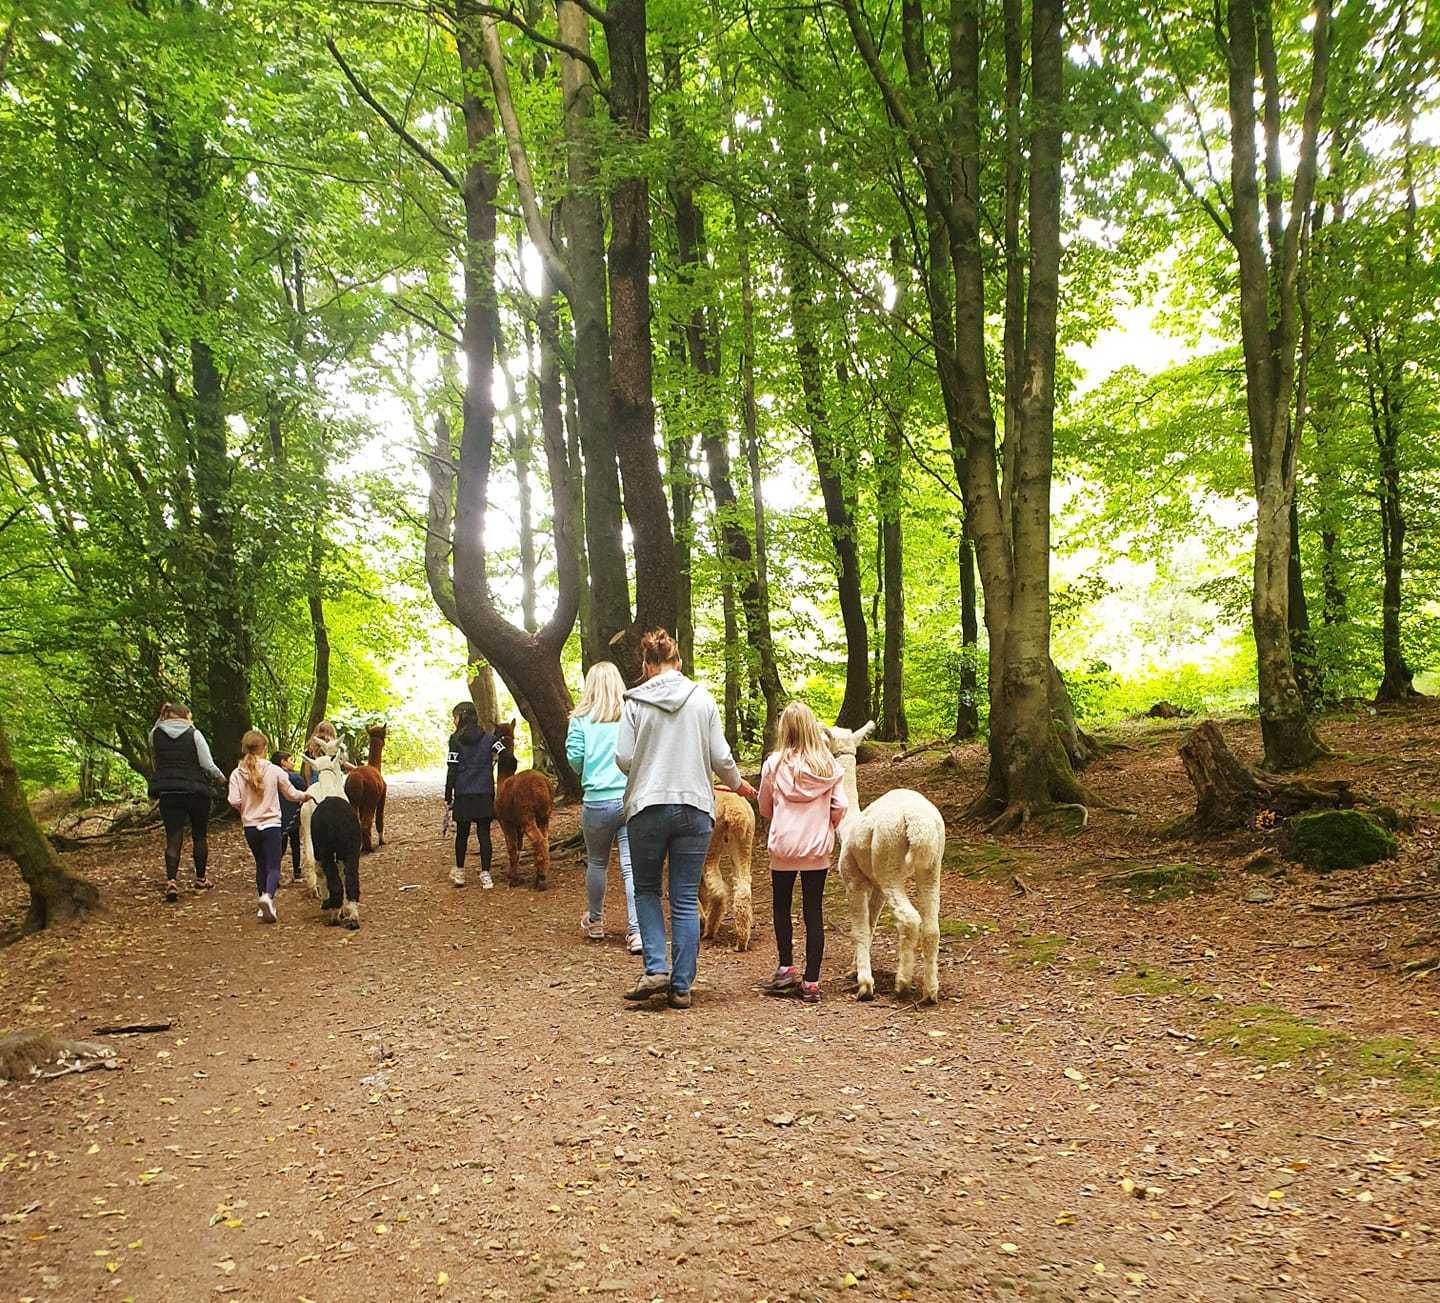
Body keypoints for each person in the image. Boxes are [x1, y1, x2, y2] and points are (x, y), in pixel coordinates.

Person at [615, 629, 756, 1010]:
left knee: (646, 889)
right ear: (677, 663)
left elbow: (624, 759)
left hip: (647, 806)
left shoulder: (634, 703)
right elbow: (721, 758)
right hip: (695, 807)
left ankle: (656, 967)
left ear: (647, 666)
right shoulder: (702, 700)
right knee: (683, 895)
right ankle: (681, 986)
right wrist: (738, 785)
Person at [757, 702, 848, 1004]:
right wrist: (828, 826)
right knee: (813, 911)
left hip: (783, 847)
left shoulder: (774, 764)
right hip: (816, 849)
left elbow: (764, 806)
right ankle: (811, 982)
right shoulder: (829, 767)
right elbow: (841, 807)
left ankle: (785, 968)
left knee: (781, 906)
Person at [566, 662, 641, 954]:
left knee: (597, 862)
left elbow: (574, 759)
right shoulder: (630, 716)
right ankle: (636, 932)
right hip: (628, 799)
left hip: (596, 802)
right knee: (631, 867)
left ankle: (595, 921)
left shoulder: (580, 719)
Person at [228, 730, 313, 923]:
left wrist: (244, 810)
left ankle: (263, 905)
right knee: (274, 866)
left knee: (260, 863)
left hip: (250, 826)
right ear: (264, 749)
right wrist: (305, 796)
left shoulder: (236, 773)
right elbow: (291, 794)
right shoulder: (275, 770)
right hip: (272, 825)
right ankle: (267, 897)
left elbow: (233, 799)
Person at [148, 702, 227, 903]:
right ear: (186, 716)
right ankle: (200, 878)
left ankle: (172, 881)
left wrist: (161, 715)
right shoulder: (194, 734)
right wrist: (221, 779)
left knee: (173, 838)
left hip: (168, 792)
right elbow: (207, 764)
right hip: (196, 791)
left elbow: (154, 735)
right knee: (199, 836)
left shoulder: (156, 733)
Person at [445, 702, 509, 890]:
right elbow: (506, 754)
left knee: (462, 834)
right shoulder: (489, 738)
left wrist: (448, 793)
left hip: (463, 793)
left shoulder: (455, 740)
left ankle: (460, 873)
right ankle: (486, 874)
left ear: (462, 717)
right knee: (484, 833)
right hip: (484, 791)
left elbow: (452, 767)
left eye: (455, 716)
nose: (454, 720)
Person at [271, 750, 309, 882]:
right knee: (295, 844)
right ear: (283, 762)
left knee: (279, 846)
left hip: (275, 816)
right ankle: (297, 871)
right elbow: (304, 788)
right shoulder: (294, 778)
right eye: (291, 760)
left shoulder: (268, 776)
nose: (293, 763)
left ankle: (274, 872)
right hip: (292, 816)